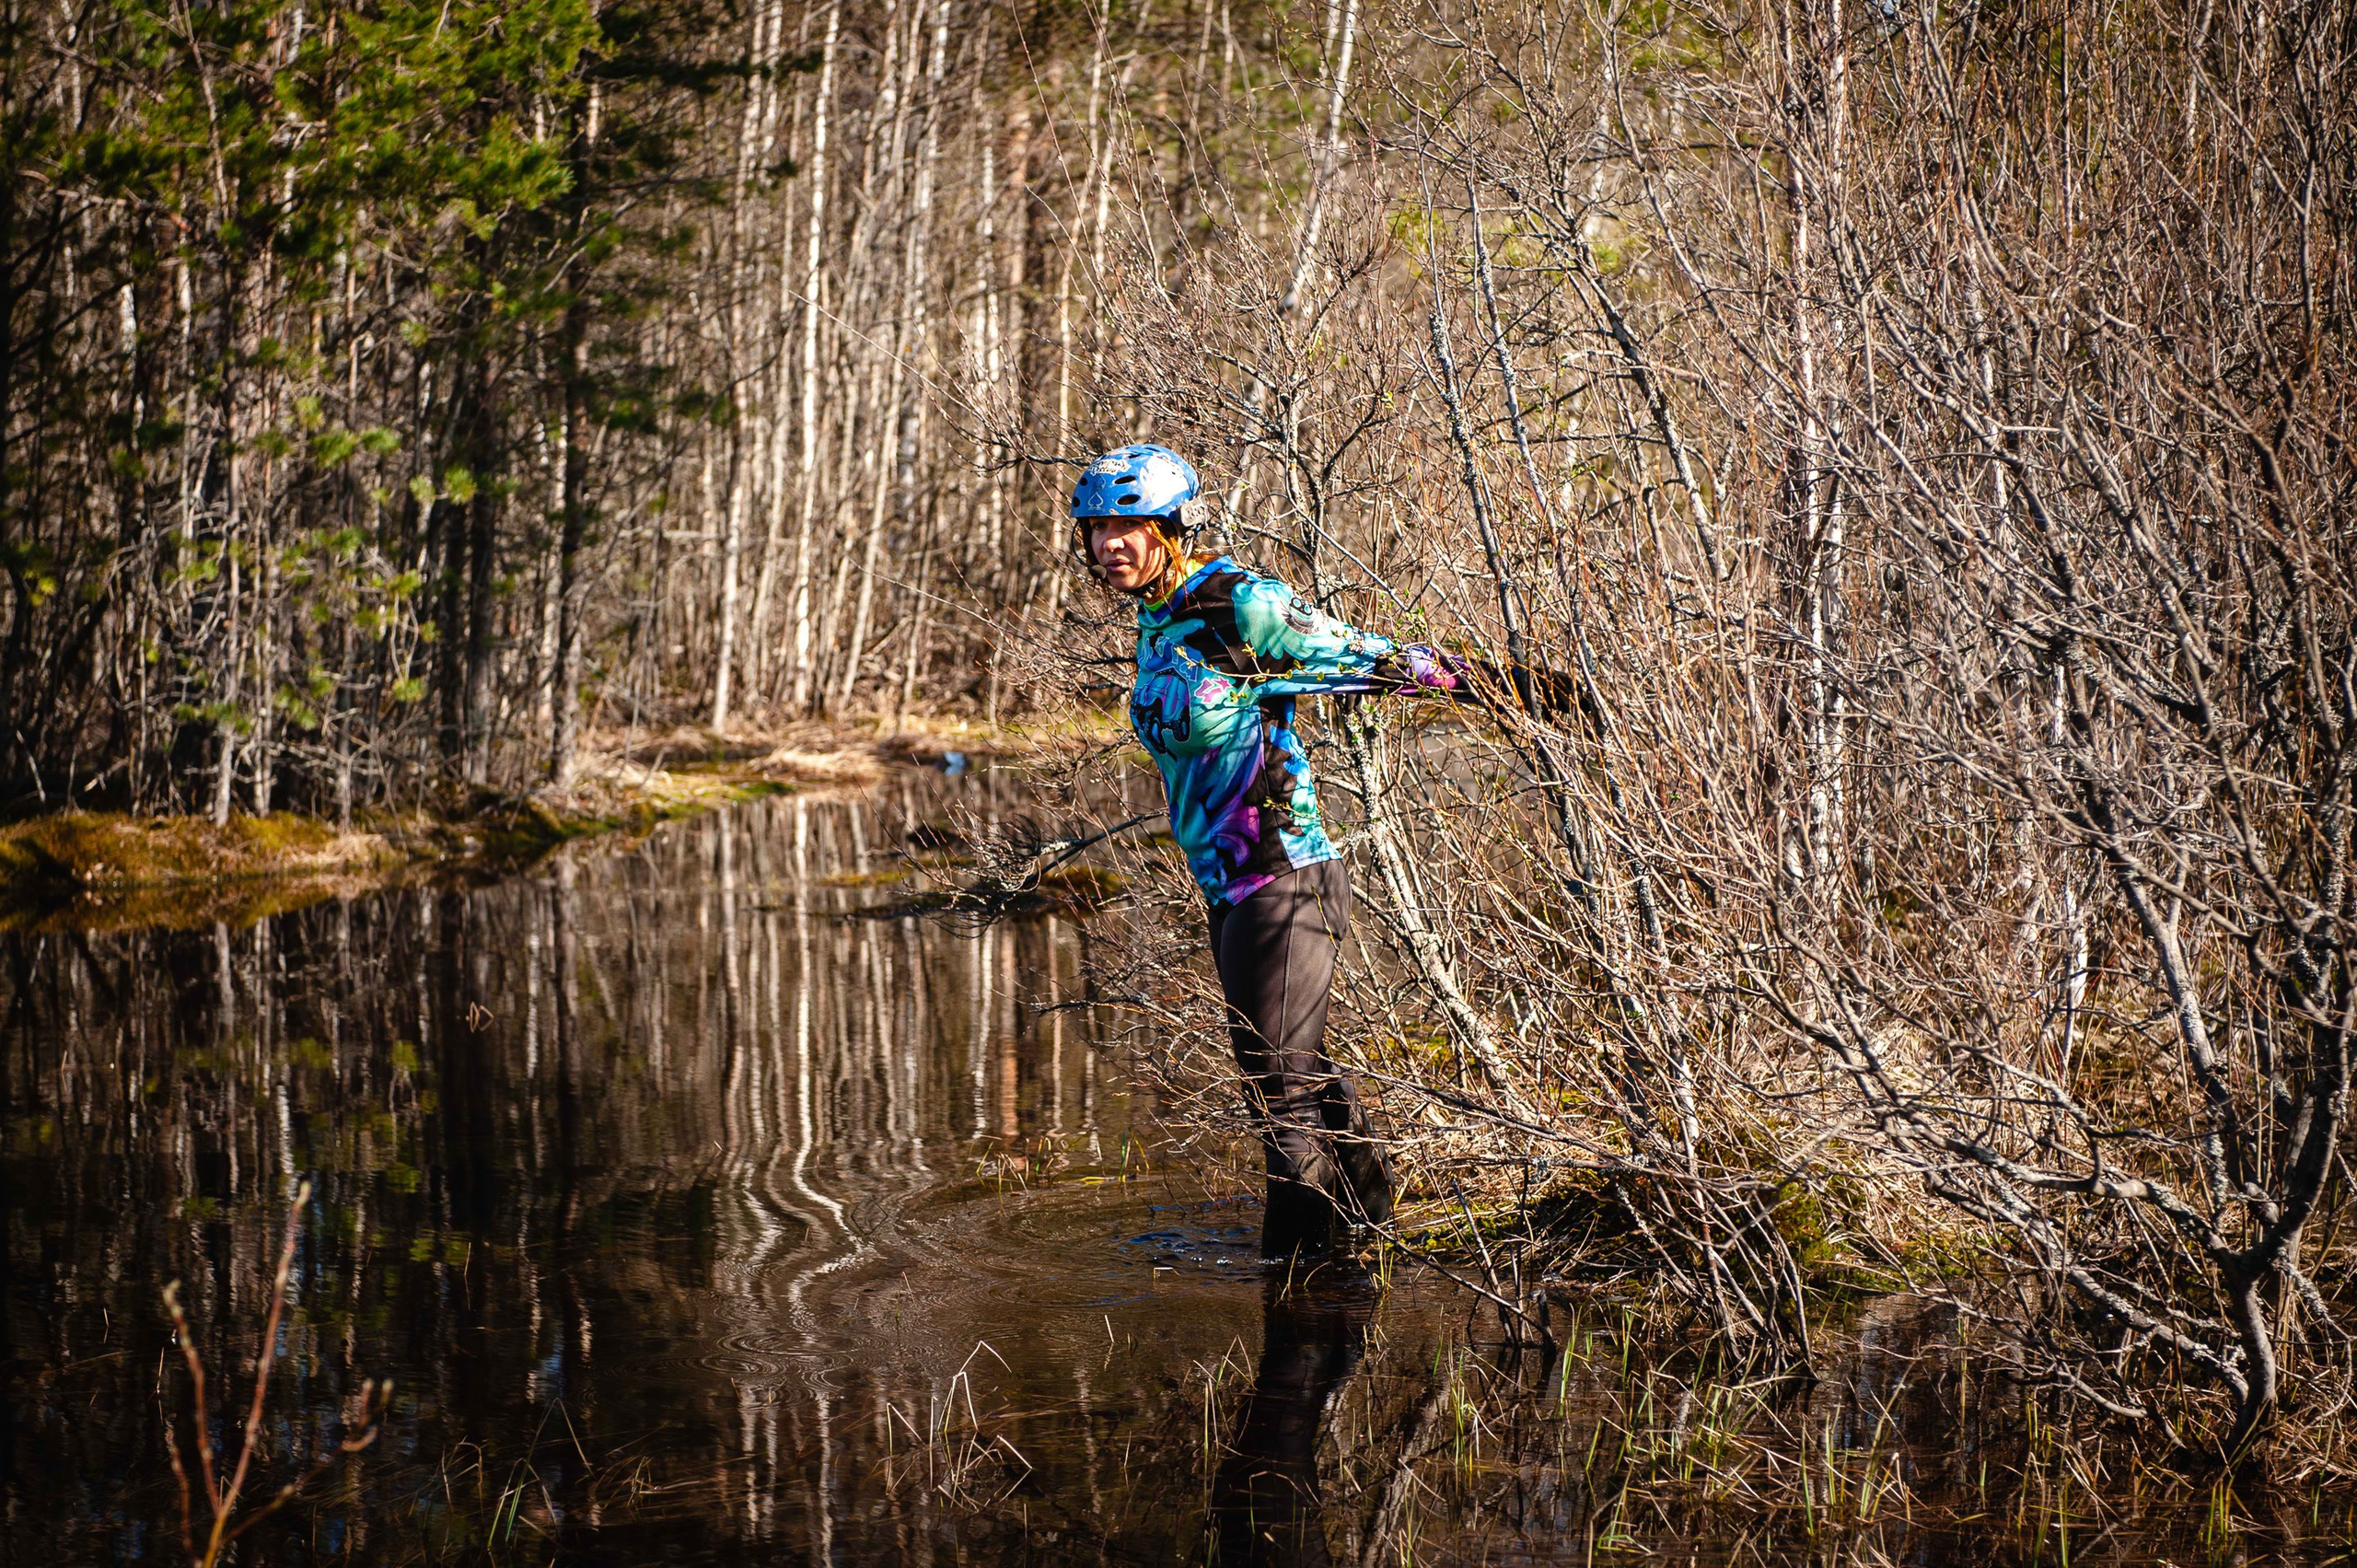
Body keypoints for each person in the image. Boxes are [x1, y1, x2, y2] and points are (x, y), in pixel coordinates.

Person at [1071, 443, 1474, 1257]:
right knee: (1299, 1074)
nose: (1109, 543)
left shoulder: (1238, 607)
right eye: (1097, 528)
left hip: (1286, 876)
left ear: (1170, 525)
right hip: (1231, 890)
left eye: (1128, 525)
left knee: (1279, 1098)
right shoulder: (1159, 622)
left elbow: (1364, 654)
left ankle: (1298, 1297)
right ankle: (1370, 1248)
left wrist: (1502, 685)